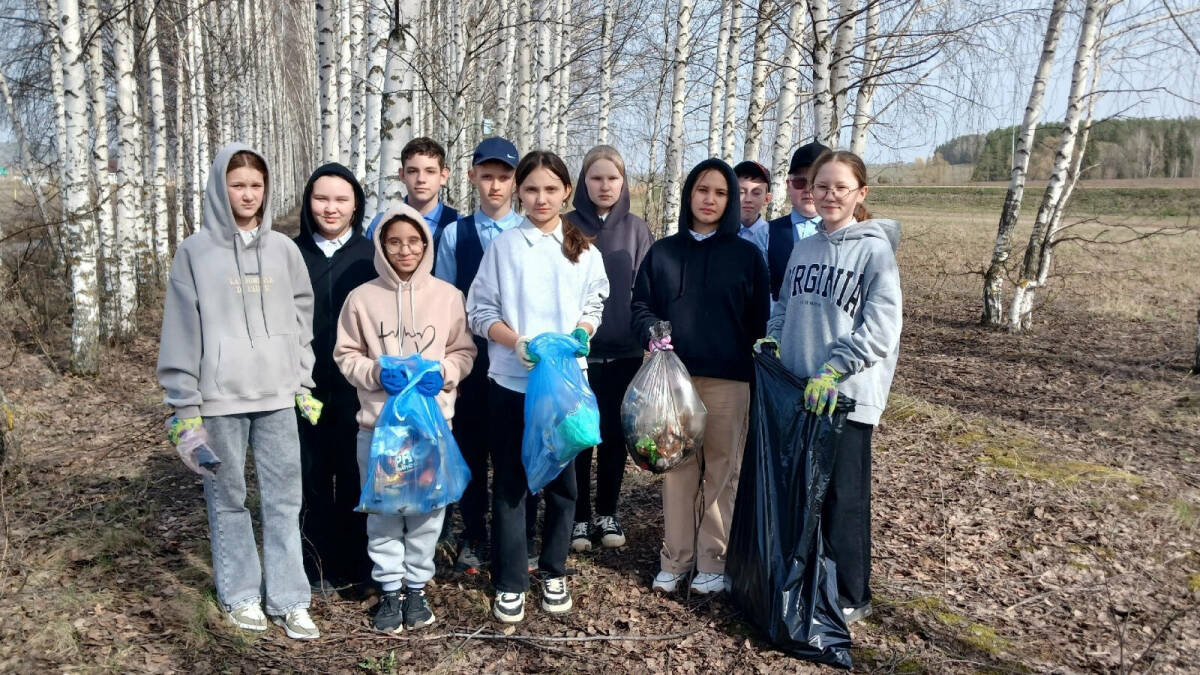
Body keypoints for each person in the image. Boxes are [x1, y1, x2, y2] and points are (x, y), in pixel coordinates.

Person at [157, 143, 322, 640]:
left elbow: (302, 319)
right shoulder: (195, 252)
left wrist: (302, 378)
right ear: (218, 188)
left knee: (283, 500)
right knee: (228, 498)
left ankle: (290, 599)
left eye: (255, 185)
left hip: (277, 397)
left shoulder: (284, 249)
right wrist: (184, 407)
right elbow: (181, 330)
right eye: (237, 185)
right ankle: (240, 594)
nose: (248, 194)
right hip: (219, 399)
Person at [466, 150, 609, 623]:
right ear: (518, 192)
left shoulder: (583, 249)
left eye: (551, 189)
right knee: (511, 481)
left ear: (567, 191)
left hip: (567, 386)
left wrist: (583, 333)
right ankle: (510, 579)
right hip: (512, 382)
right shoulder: (505, 247)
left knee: (564, 483)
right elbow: (480, 311)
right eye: (531, 189)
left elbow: (596, 300)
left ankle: (554, 569)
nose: (541, 198)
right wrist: (517, 341)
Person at [761, 150, 902, 625]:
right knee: (804, 490)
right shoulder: (805, 247)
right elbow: (784, 305)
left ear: (860, 194)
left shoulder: (874, 250)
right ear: (807, 191)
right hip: (801, 392)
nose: (829, 195)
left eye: (841, 187)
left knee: (843, 496)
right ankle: (809, 578)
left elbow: (882, 327)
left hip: (845, 396)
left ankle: (850, 594)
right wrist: (774, 339)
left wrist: (836, 369)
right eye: (820, 186)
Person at [333, 203, 477, 632]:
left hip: (430, 430)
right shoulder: (361, 298)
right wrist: (375, 372)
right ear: (381, 244)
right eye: (394, 241)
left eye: (413, 240)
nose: (404, 249)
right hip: (378, 430)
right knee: (385, 512)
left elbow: (463, 351)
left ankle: (417, 588)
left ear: (426, 244)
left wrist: (446, 374)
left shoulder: (448, 297)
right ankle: (390, 591)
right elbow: (346, 354)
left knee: (427, 511)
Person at [631, 158, 770, 596]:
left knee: (723, 471)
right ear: (689, 194)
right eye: (702, 190)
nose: (709, 200)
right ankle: (675, 559)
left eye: (720, 193)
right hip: (674, 384)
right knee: (677, 468)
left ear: (730, 201)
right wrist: (653, 330)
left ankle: (714, 560)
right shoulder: (664, 252)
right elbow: (640, 307)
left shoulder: (747, 256)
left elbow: (759, 322)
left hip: (730, 381)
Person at [433, 137, 524, 575]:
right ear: (471, 177)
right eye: (486, 176)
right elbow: (446, 299)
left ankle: (517, 533)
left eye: (504, 177)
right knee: (470, 448)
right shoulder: (455, 234)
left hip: (519, 360)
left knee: (514, 448)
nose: (495, 186)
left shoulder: (528, 234)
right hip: (473, 359)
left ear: (515, 182)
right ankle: (473, 533)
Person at [292, 163, 377, 595]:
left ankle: (356, 568)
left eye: (341, 199)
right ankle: (313, 567)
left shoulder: (370, 255)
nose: (331, 208)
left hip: (357, 388)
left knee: (354, 475)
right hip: (300, 388)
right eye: (321, 198)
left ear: (356, 205)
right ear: (308, 202)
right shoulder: (290, 254)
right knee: (308, 478)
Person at [565, 145, 652, 553]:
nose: (604, 186)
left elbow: (647, 290)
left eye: (612, 178)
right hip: (578, 353)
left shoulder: (637, 229)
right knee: (581, 437)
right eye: (596, 178)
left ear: (623, 183)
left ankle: (607, 513)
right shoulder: (566, 227)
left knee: (615, 437)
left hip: (625, 352)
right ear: (583, 182)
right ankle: (579, 517)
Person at [364, 136, 460, 251]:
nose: (421, 179)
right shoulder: (381, 225)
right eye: (412, 171)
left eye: (430, 171)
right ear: (402, 175)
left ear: (443, 176)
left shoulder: (459, 227)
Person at [767, 141, 830, 300]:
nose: (808, 190)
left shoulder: (849, 237)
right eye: (800, 182)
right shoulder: (765, 234)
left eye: (818, 184)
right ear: (788, 185)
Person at [733, 160, 772, 260]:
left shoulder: (774, 237)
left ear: (767, 198)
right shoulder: (719, 233)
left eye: (756, 193)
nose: (748, 199)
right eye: (741, 192)